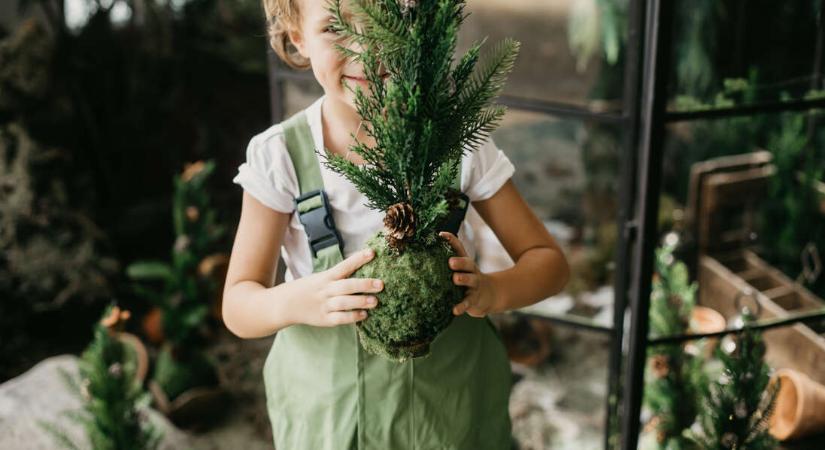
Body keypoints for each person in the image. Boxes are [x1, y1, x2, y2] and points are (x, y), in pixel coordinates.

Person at [221, 0, 570, 448]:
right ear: (297, 36)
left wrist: (494, 291)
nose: (368, 51)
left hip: (452, 415)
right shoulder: (281, 156)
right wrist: (297, 301)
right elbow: (237, 305)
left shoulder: (458, 146)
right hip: (330, 419)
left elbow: (549, 263)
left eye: (389, 23)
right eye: (335, 28)